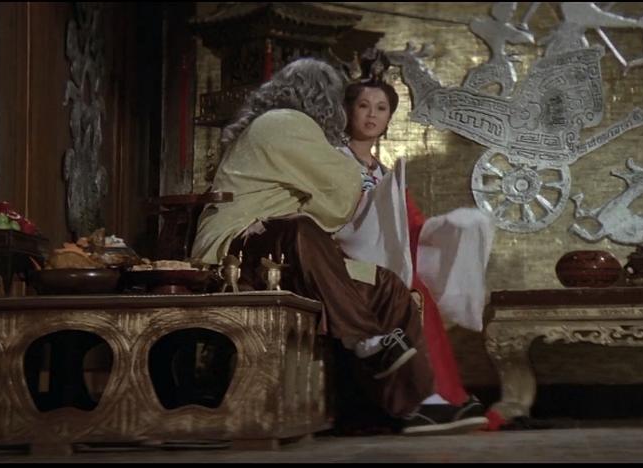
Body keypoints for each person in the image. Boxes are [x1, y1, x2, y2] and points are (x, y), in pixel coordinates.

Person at [190, 58, 485, 435]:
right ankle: (368, 339)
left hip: (289, 257)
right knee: (299, 228)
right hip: (238, 250)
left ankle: (416, 405)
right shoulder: (284, 123)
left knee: (387, 285)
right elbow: (343, 191)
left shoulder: (296, 129)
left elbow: (335, 203)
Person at [336, 56, 497, 431]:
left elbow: (411, 225)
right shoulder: (334, 162)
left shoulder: (385, 174)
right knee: (401, 287)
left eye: (381, 108)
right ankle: (420, 397)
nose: (372, 115)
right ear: (348, 111)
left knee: (416, 287)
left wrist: (450, 227)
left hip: (380, 261)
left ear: (389, 118)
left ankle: (441, 393)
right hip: (341, 259)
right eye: (363, 106)